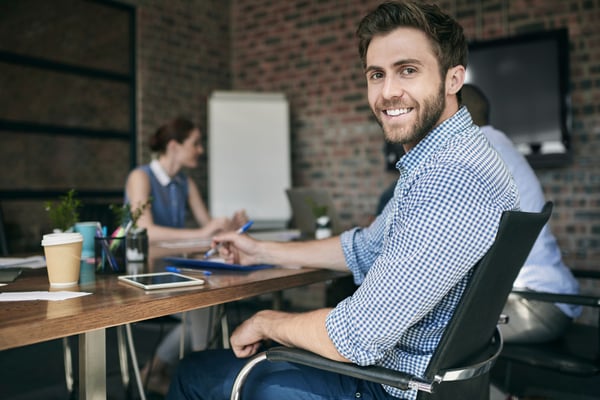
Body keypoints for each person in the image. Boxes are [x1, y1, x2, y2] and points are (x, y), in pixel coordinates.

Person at [167, 2, 519, 399]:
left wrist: (265, 321)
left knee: (193, 372)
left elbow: (357, 336)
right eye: (376, 75)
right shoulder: (449, 157)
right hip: (412, 376)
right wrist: (260, 250)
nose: (388, 92)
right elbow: (363, 248)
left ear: (453, 79)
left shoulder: (449, 177)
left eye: (408, 70)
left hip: (389, 387)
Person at [125, 116, 248, 394]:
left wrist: (230, 228)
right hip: (143, 273)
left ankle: (178, 375)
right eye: (195, 143)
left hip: (174, 270)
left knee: (209, 304)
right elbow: (144, 229)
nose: (200, 150)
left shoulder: (185, 182)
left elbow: (207, 231)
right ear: (174, 146)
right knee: (203, 310)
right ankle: (190, 377)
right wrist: (204, 231)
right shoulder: (140, 177)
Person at [460, 83, 581, 342]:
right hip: (546, 299)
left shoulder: (478, 155)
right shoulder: (498, 146)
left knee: (436, 338)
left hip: (533, 305)